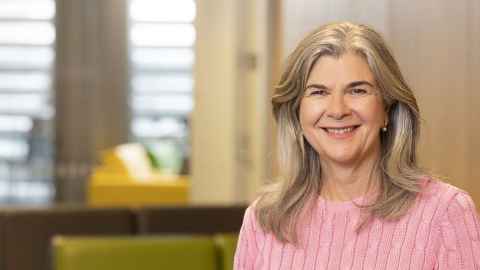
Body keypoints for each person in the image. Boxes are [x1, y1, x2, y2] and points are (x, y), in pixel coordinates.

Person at [234, 22, 480, 270]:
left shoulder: (445, 213)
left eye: (358, 90)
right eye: (318, 92)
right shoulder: (264, 219)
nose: (338, 110)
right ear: (297, 113)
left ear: (386, 109)